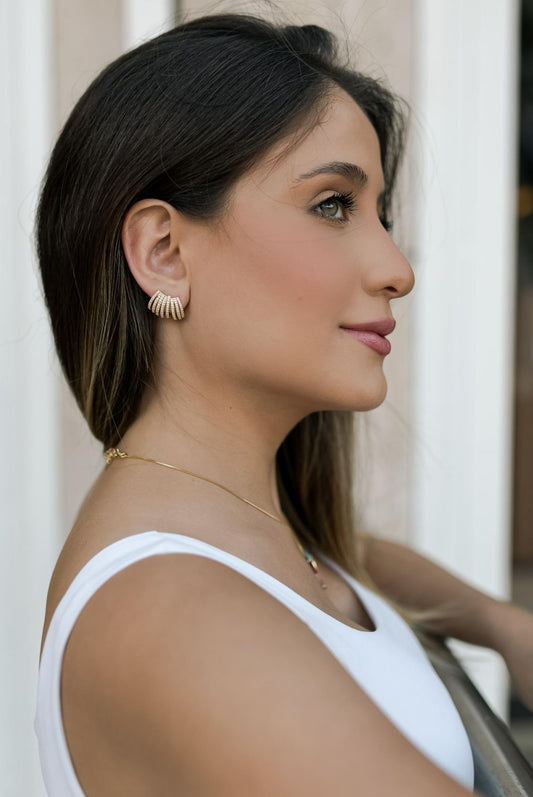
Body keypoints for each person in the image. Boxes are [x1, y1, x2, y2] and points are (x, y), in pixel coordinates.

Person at [34, 8, 533, 796]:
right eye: (332, 204)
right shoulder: (178, 617)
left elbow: (347, 560)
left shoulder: (251, 533)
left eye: (380, 215)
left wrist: (499, 623)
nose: (397, 268)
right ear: (164, 253)